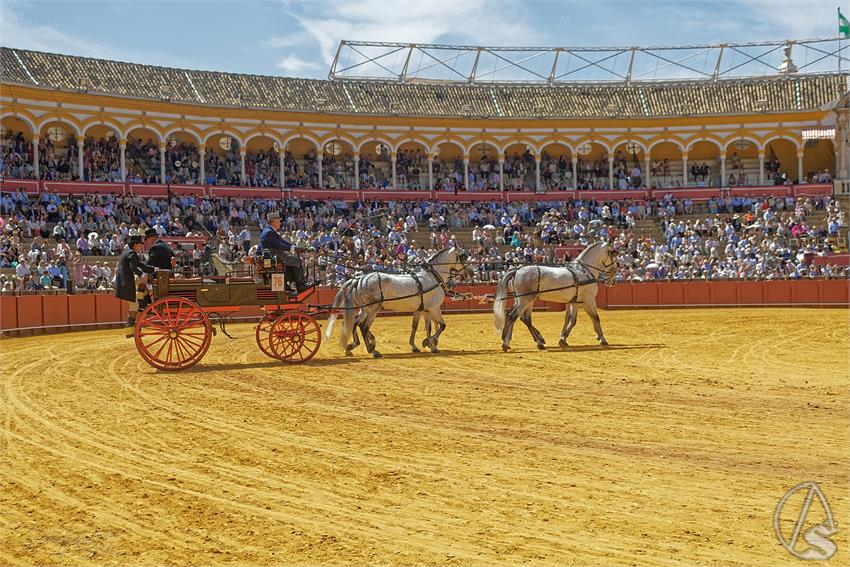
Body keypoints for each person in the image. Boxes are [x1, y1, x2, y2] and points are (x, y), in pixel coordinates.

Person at [115, 234, 155, 335]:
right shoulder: (132, 253)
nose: (141, 246)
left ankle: (130, 331)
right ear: (135, 245)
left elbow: (140, 265)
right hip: (127, 284)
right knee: (134, 306)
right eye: (140, 244)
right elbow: (133, 268)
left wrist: (153, 269)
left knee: (133, 307)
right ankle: (144, 302)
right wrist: (143, 274)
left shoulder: (128, 253)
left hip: (125, 283)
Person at [258, 212, 305, 291]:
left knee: (291, 261)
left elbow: (282, 242)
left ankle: (286, 284)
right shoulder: (269, 232)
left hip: (274, 254)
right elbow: (279, 245)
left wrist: (294, 247)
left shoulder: (269, 230)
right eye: (279, 220)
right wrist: (293, 249)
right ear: (273, 221)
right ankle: (300, 285)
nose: (280, 222)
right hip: (273, 255)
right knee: (296, 260)